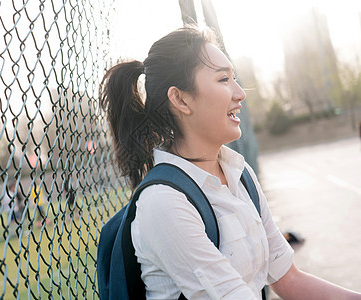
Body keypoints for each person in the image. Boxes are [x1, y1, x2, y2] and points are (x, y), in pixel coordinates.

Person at [99, 26, 361, 299]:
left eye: (234, 78)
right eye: (224, 79)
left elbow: (289, 279)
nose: (240, 93)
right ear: (181, 99)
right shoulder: (164, 202)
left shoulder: (240, 173)